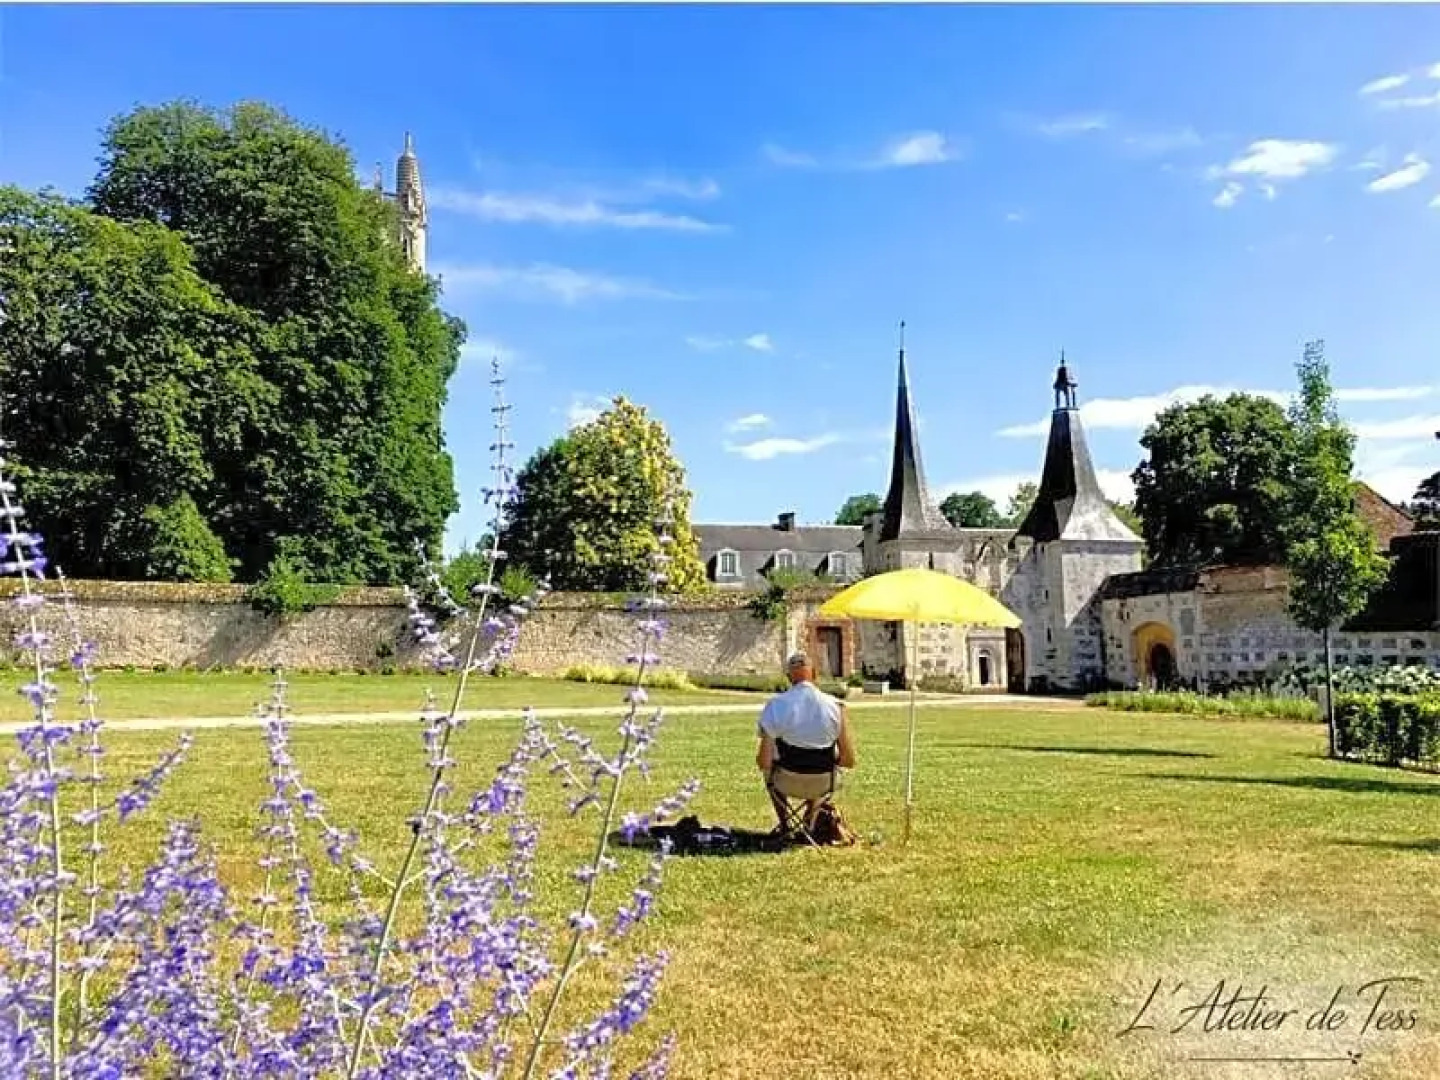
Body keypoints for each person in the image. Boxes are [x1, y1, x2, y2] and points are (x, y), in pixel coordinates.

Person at [756, 651, 857, 831]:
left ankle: (785, 824)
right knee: (823, 762)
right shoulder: (836, 707)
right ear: (815, 674)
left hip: (786, 781)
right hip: (824, 783)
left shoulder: (775, 706)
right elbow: (848, 760)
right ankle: (809, 820)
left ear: (788, 677)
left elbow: (764, 762)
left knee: (769, 770)